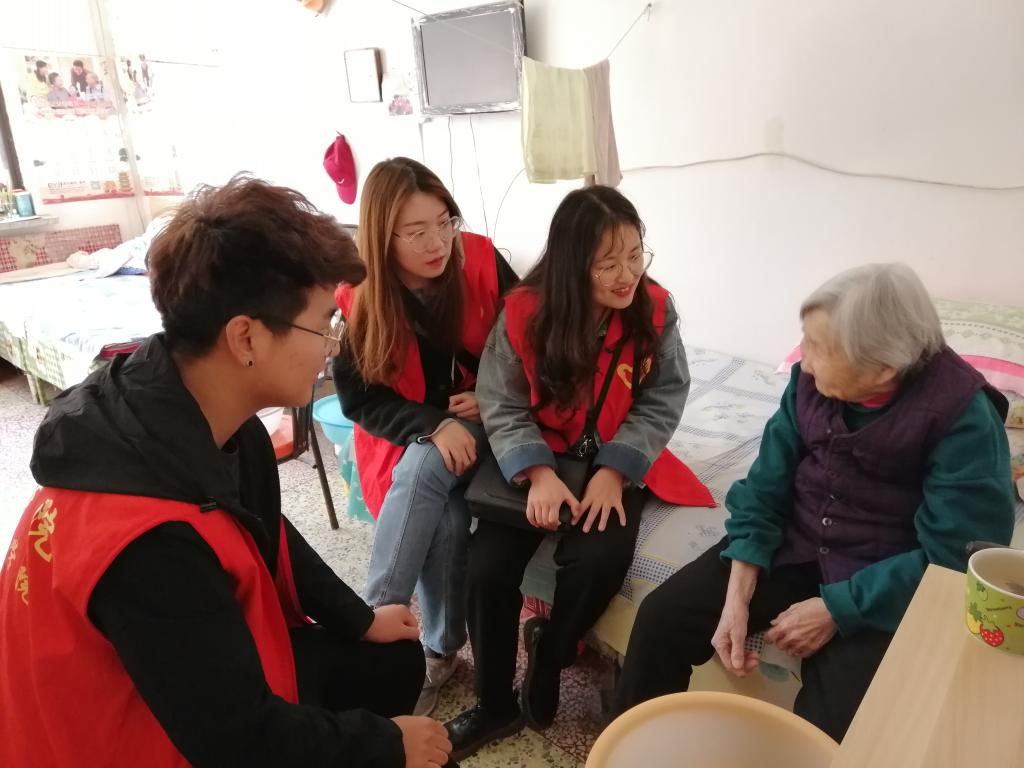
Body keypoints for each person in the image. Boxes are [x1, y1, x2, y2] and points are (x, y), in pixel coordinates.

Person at [0, 175, 454, 768]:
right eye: (324, 324)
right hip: (129, 738)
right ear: (246, 338)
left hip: (184, 674)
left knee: (390, 659)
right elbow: (236, 741)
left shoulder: (189, 412)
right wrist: (386, 745)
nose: (332, 346)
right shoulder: (149, 545)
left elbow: (263, 524)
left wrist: (359, 618)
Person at [613, 263, 1015, 741]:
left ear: (883, 368)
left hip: (886, 573)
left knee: (836, 719)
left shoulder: (963, 416)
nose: (804, 361)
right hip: (796, 540)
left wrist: (837, 609)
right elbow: (766, 484)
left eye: (821, 348)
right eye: (805, 339)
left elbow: (954, 555)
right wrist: (737, 595)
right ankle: (638, 747)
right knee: (662, 618)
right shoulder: (808, 382)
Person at [445, 185, 712, 760]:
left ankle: (553, 649)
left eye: (636, 255)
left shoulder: (654, 309)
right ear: (572, 263)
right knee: (487, 569)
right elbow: (500, 400)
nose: (627, 275)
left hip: (611, 456)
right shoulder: (525, 313)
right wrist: (536, 472)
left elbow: (664, 394)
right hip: (538, 453)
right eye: (608, 263)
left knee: (598, 560)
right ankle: (493, 705)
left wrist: (615, 470)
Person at [333, 157, 518, 717]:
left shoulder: (481, 261)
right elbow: (361, 402)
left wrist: (489, 397)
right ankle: (439, 650)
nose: (438, 243)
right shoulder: (362, 297)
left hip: (493, 422)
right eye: (416, 232)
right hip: (411, 434)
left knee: (424, 469)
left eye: (444, 222)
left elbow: (533, 344)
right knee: (448, 521)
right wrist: (432, 425)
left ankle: (372, 626)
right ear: (381, 237)